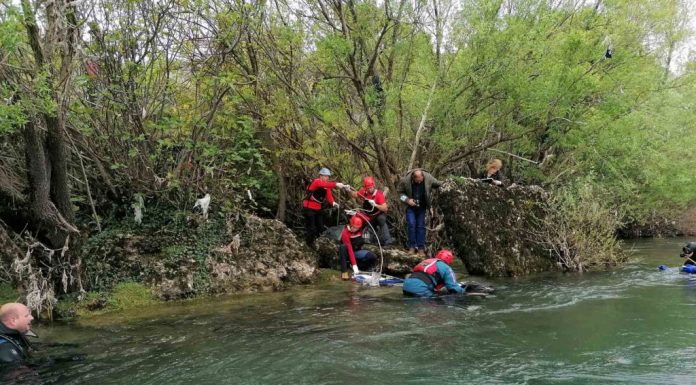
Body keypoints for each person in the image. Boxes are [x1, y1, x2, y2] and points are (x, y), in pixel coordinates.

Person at [397, 169, 442, 256]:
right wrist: (407, 200)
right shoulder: (405, 180)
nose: (419, 182)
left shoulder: (428, 177)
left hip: (422, 207)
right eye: (418, 181)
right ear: (413, 178)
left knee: (421, 226)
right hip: (410, 207)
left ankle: (421, 248)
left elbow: (438, 183)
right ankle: (412, 247)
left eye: (421, 180)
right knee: (411, 224)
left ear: (423, 176)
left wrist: (452, 182)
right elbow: (399, 193)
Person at [302, 167, 349, 247]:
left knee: (321, 227)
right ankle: (308, 244)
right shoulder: (316, 182)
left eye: (328, 176)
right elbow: (324, 184)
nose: (327, 178)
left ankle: (318, 243)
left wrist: (333, 203)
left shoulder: (326, 185)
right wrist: (336, 184)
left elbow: (329, 195)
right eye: (325, 176)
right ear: (321, 176)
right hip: (309, 208)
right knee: (311, 228)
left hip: (318, 209)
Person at [350, 176, 392, 245]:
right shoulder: (363, 191)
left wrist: (376, 205)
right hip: (368, 215)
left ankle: (388, 241)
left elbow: (385, 208)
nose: (369, 189)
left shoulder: (379, 194)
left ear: (373, 185)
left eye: (371, 187)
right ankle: (365, 241)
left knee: (381, 220)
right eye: (368, 188)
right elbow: (355, 194)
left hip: (378, 214)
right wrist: (349, 190)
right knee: (364, 223)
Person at [339, 215, 378, 280]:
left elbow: (368, 219)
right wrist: (354, 265)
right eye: (354, 227)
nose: (355, 229)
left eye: (357, 228)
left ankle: (362, 268)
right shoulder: (345, 233)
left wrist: (357, 214)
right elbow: (350, 249)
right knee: (342, 247)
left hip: (357, 251)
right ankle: (344, 271)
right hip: (348, 253)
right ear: (351, 224)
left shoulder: (360, 228)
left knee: (372, 256)